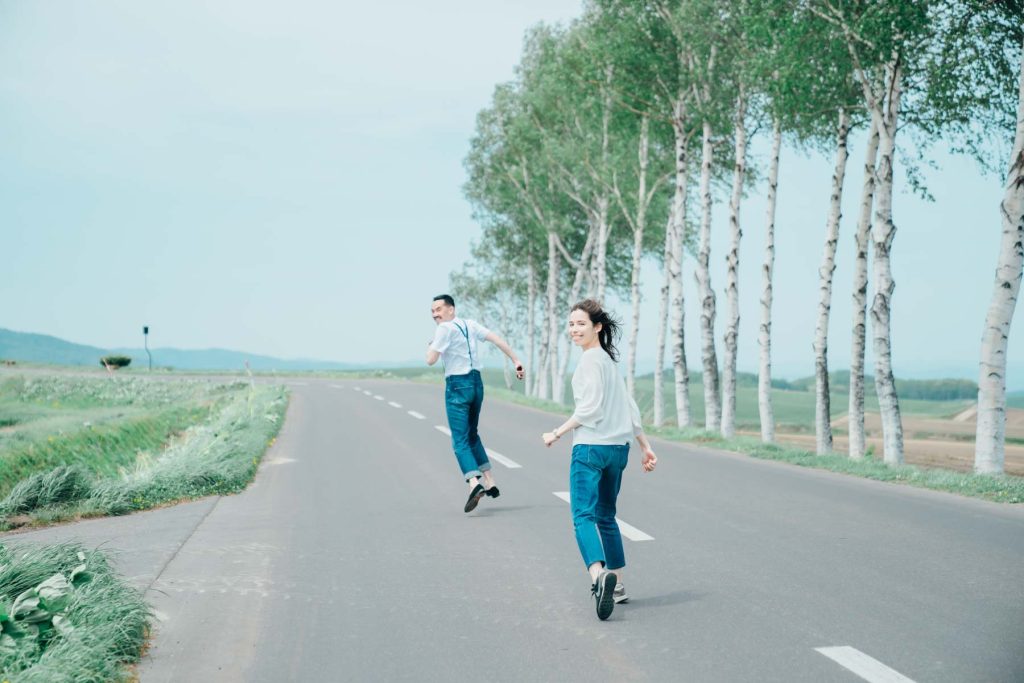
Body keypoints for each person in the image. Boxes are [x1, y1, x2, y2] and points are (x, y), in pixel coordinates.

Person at [542, 299, 657, 621]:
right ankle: (617, 585)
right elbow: (630, 408)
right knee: (607, 517)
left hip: (591, 448)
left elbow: (590, 409)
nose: (574, 329)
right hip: (618, 450)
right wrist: (645, 446)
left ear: (597, 327)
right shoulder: (607, 361)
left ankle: (598, 576)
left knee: (583, 516)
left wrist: (557, 432)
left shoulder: (591, 361)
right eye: (571, 324)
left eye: (581, 324)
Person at [426, 294, 524, 513]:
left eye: (439, 309)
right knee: (472, 435)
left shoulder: (444, 329)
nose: (435, 314)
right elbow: (497, 340)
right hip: (476, 384)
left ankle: (474, 483)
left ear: (451, 309)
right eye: (432, 311)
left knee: (459, 440)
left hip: (457, 385)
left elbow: (430, 360)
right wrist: (516, 360)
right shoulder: (470, 325)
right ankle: (490, 480)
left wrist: (431, 345)